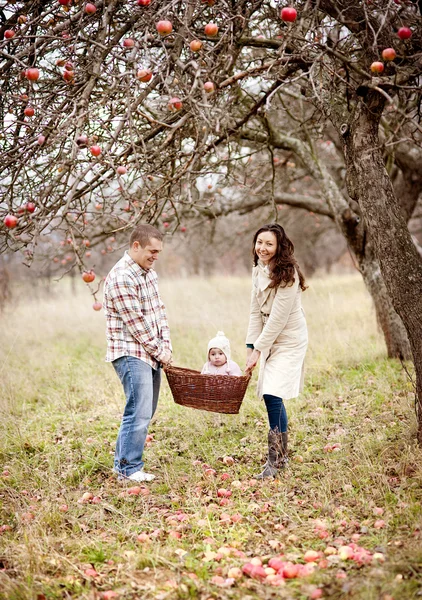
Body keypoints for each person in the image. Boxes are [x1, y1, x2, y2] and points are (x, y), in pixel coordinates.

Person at [103, 223, 172, 483]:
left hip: (151, 351)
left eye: (159, 252)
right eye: (151, 251)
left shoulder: (148, 273)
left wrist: (166, 347)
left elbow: (158, 313)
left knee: (145, 409)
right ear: (135, 246)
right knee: (139, 410)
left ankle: (122, 464)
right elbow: (136, 324)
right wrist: (160, 351)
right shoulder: (123, 277)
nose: (155, 256)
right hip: (130, 352)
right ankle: (128, 468)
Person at [245, 223, 308, 478]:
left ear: (279, 246)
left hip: (289, 338)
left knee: (272, 392)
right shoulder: (257, 269)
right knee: (273, 394)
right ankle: (280, 458)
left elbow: (278, 319)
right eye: (260, 242)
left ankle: (275, 461)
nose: (263, 248)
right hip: (267, 338)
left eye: (269, 244)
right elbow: (254, 310)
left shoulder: (288, 273)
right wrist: (250, 346)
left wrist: (259, 350)